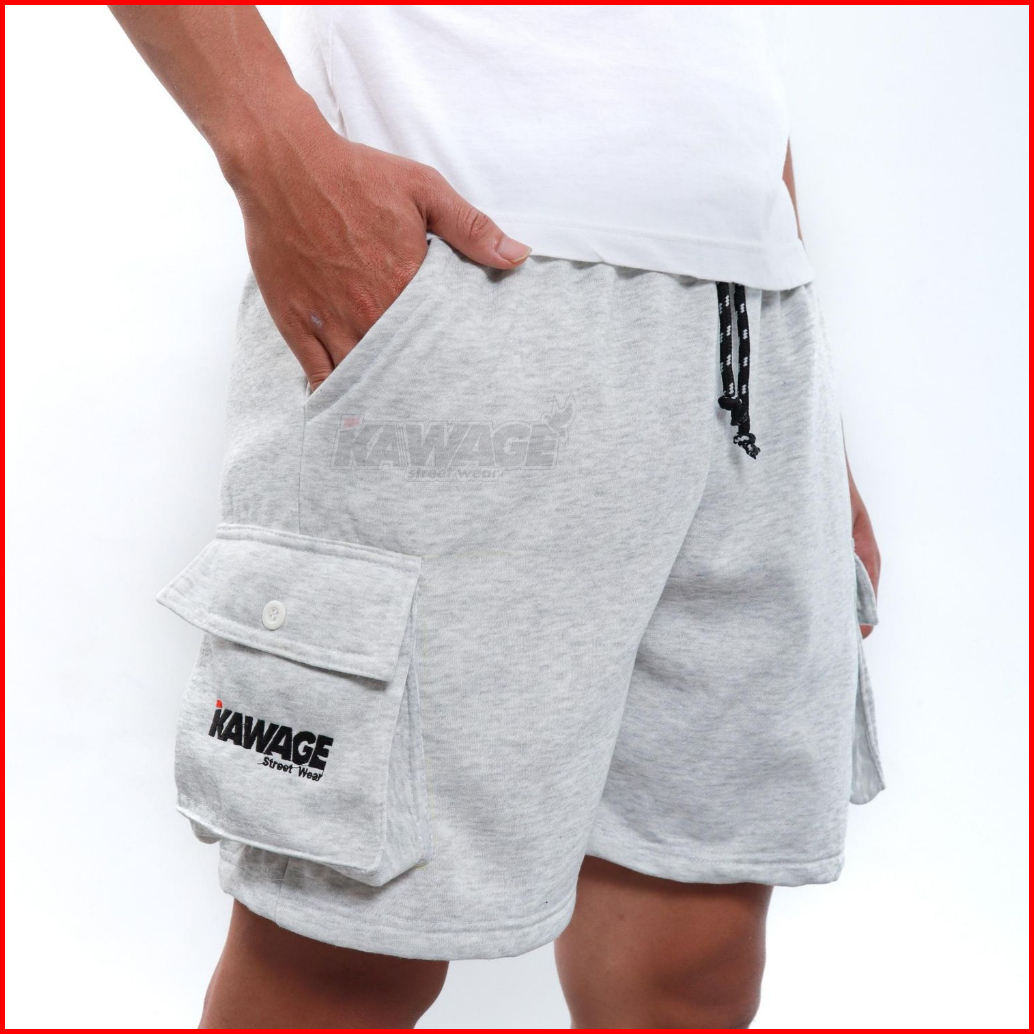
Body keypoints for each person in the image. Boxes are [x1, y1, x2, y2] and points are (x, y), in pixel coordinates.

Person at [111, 6, 884, 1028]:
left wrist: (818, 432)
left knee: (691, 946)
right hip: (469, 273)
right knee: (345, 950)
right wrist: (277, 157)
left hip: (752, 331)